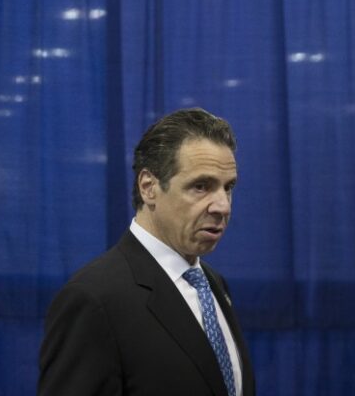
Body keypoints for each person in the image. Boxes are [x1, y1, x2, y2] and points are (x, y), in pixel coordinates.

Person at [39, 108, 255, 396]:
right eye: (201, 186)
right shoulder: (93, 300)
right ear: (149, 187)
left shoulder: (214, 284)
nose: (222, 206)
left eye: (228, 188)